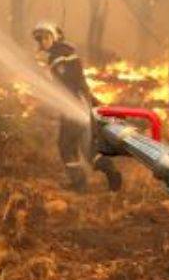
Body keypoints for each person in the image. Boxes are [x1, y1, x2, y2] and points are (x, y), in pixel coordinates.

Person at [32, 21, 121, 192]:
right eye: (40, 39)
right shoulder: (68, 52)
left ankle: (79, 183)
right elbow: (79, 81)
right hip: (81, 104)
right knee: (87, 149)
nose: (42, 42)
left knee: (65, 145)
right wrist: (91, 101)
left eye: (45, 38)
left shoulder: (58, 57)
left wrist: (45, 74)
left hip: (73, 106)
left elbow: (66, 83)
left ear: (54, 37)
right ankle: (111, 171)